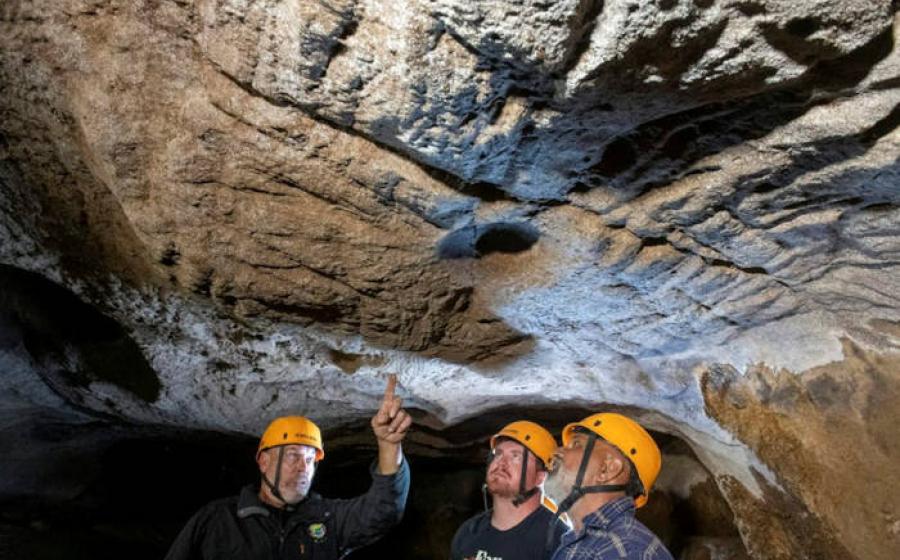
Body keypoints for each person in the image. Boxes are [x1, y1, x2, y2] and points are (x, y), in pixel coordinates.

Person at [165, 374, 412, 560]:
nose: (303, 468)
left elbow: (384, 511)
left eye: (309, 460)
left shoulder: (327, 519)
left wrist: (388, 445)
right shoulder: (219, 520)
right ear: (263, 461)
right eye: (293, 456)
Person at [543, 412, 674, 560]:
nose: (556, 452)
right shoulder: (595, 544)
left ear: (607, 468)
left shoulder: (624, 551)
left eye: (576, 444)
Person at [450, 420, 569, 560]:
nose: (501, 462)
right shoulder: (469, 532)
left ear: (540, 477)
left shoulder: (557, 541)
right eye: (498, 453)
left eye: (516, 456)